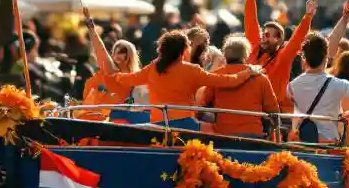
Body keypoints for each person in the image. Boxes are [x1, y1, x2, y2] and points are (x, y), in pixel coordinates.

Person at [105, 29, 257, 124]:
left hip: (158, 124)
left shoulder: (153, 67)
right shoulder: (192, 70)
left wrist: (114, 75)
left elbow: (129, 79)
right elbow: (227, 81)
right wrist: (248, 72)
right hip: (184, 126)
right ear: (183, 51)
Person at [243, 0, 317, 112]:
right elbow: (250, 19)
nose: (264, 38)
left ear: (278, 40)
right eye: (264, 34)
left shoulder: (283, 57)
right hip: (251, 108)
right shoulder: (255, 48)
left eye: (269, 35)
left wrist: (308, 16)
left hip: (274, 113)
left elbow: (296, 40)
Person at [288, 32, 349, 144]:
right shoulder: (336, 84)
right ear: (326, 57)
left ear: (304, 58)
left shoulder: (292, 86)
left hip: (300, 144)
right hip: (328, 145)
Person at [198, 35, 280, 138]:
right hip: (253, 136)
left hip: (223, 135)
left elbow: (200, 108)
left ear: (225, 55)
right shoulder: (261, 78)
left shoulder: (215, 76)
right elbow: (274, 112)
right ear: (246, 55)